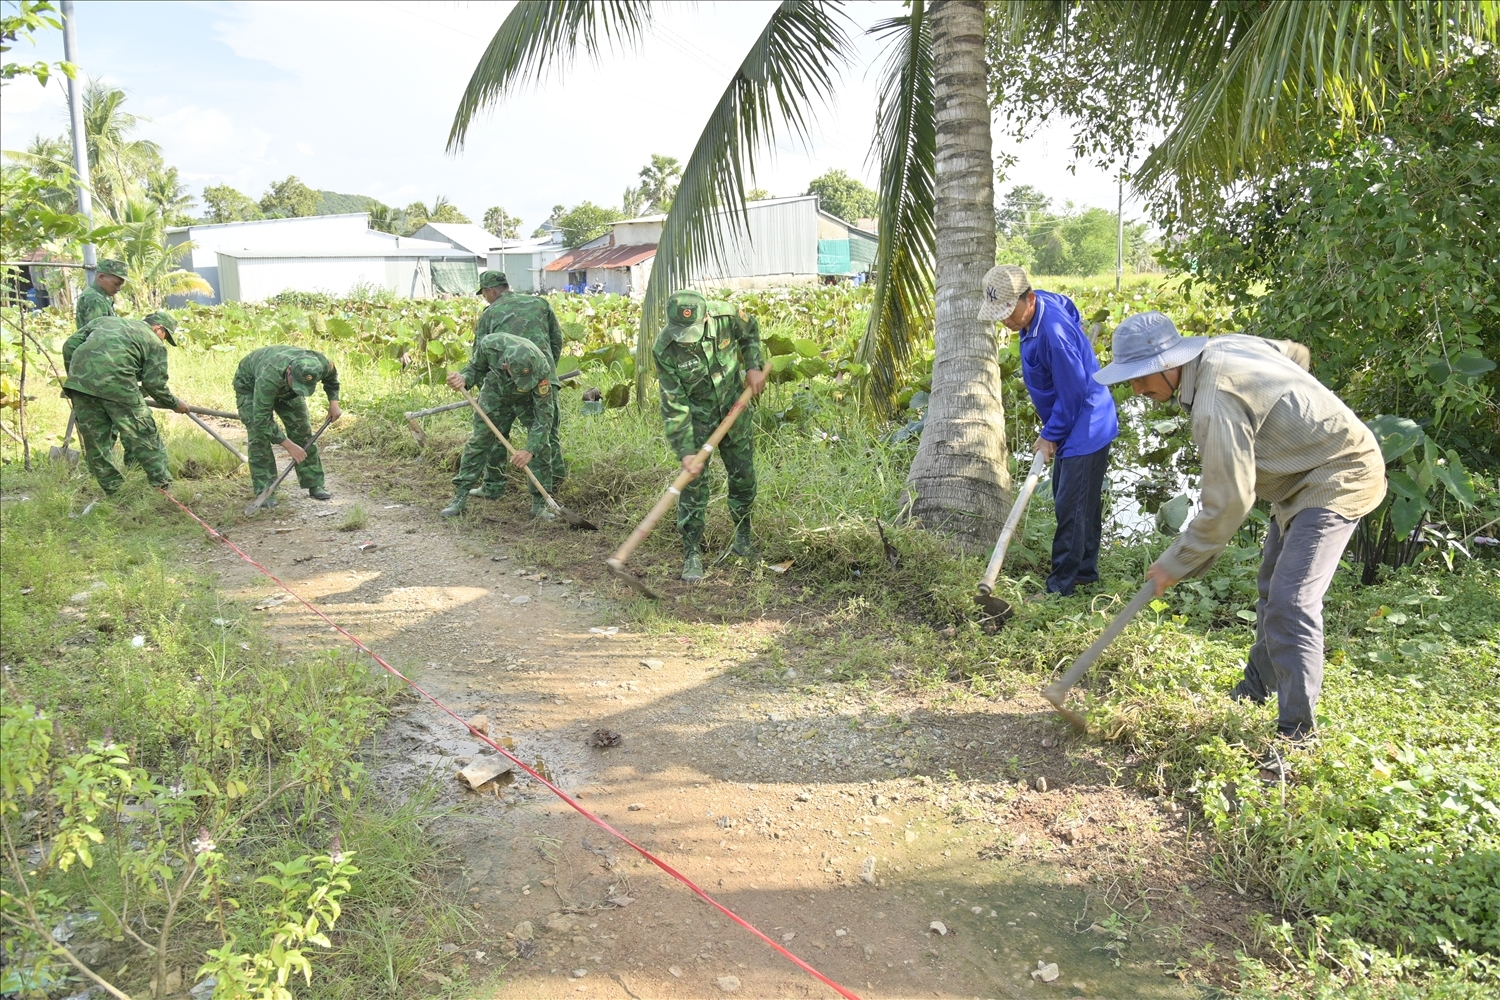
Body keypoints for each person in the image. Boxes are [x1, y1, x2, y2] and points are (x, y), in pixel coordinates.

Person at [1094, 312, 1385, 774]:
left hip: (1339, 475)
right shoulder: (1224, 346)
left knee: (1292, 601)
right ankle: (1254, 691)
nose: (1136, 390)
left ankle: (1297, 737)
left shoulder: (1214, 401)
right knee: (1272, 588)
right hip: (1297, 479)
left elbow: (1228, 502)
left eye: (1141, 377)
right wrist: (1289, 424)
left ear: (1172, 363)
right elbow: (1294, 353)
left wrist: (1177, 561)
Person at [979, 264, 1119, 597]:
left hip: (1085, 425)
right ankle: (1085, 571)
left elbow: (1073, 396)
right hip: (1072, 422)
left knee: (1071, 507)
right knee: (1081, 502)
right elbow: (1069, 305)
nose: (1005, 320)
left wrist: (1049, 434)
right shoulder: (1041, 305)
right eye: (999, 314)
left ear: (1026, 299)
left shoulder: (1053, 334)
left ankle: (1060, 588)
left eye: (1008, 312)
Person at [653, 290, 767, 582]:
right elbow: (674, 402)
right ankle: (692, 553)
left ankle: (743, 540)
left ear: (706, 317)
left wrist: (753, 365)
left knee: (744, 477)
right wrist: (686, 450)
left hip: (734, 408)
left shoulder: (726, 317)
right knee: (693, 486)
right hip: (697, 418)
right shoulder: (665, 349)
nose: (686, 339)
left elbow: (750, 333)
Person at [61, 312, 189, 494]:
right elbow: (154, 384)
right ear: (158, 328)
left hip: (80, 386)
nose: (164, 341)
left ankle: (116, 492)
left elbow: (70, 345)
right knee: (143, 433)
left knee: (96, 442)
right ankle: (163, 485)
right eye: (166, 336)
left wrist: (77, 376)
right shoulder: (153, 341)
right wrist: (174, 403)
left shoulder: (104, 321)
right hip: (119, 385)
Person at [467, 270, 566, 499]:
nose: (484, 298)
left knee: (495, 433)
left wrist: (486, 388)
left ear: (491, 291)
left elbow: (479, 355)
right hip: (542, 378)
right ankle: (555, 483)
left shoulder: (489, 313)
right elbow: (556, 340)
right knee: (546, 430)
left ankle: (493, 486)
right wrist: (547, 371)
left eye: (483, 293)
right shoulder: (540, 303)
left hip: (502, 384)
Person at [442, 331, 557, 520]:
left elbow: (544, 417)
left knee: (541, 446)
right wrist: (463, 379)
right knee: (479, 441)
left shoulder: (541, 368)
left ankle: (539, 504)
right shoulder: (490, 346)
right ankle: (460, 498)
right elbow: (475, 368)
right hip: (495, 393)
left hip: (527, 399)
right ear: (506, 365)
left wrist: (530, 449)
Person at [233, 346, 342, 507]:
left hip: (286, 392)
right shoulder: (268, 376)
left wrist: (334, 402)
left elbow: (331, 378)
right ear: (290, 370)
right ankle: (265, 489)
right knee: (259, 435)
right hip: (250, 386)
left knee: (302, 430)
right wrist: (288, 445)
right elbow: (262, 419)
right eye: (297, 384)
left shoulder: (321, 364)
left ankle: (314, 482)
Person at [75, 258, 128, 331]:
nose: (118, 288)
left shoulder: (102, 296)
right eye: (116, 284)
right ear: (101, 277)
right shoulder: (95, 299)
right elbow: (98, 334)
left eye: (120, 285)